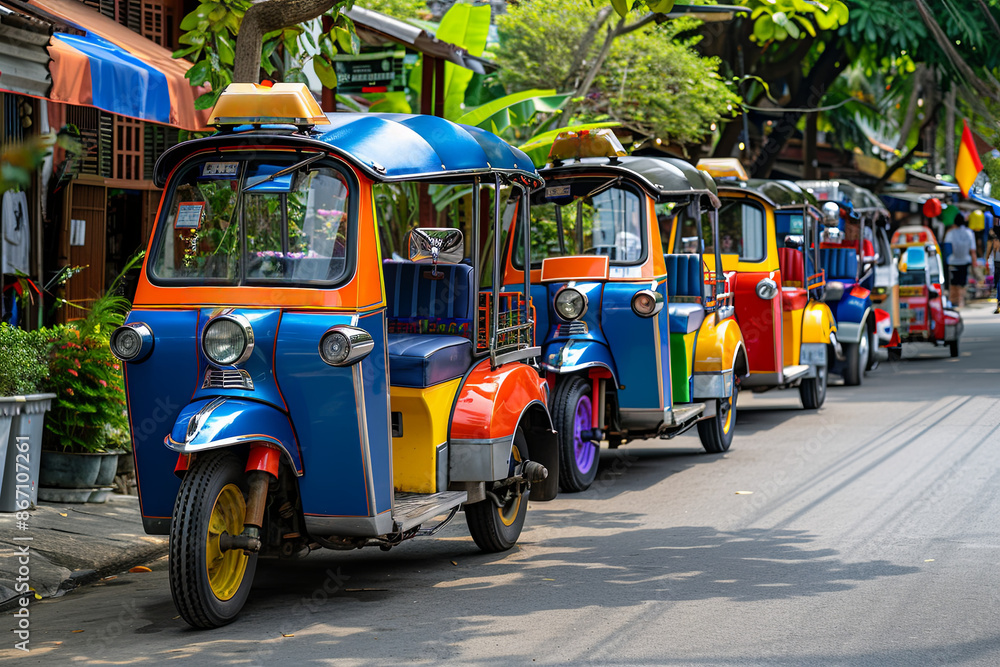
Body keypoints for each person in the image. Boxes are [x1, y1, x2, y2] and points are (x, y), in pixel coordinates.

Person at [944, 214, 977, 308]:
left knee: (953, 283)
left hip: (953, 261)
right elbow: (972, 250)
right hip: (965, 261)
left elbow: (947, 248)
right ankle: (961, 302)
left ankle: (954, 302)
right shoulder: (969, 233)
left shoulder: (950, 233)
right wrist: (974, 263)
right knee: (963, 283)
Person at [987, 219, 1000, 313]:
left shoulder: (994, 236)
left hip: (998, 261)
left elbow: (993, 249)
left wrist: (986, 258)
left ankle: (998, 303)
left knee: (998, 283)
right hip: (997, 261)